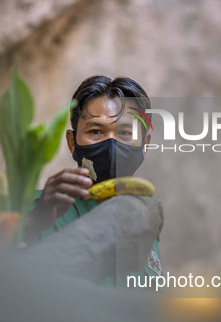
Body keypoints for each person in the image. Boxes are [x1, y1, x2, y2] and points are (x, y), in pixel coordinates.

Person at [23, 75, 162, 285]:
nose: (111, 144)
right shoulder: (36, 211)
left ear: (145, 145)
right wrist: (33, 221)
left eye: (125, 132)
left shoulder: (143, 222)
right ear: (72, 142)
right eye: (96, 131)